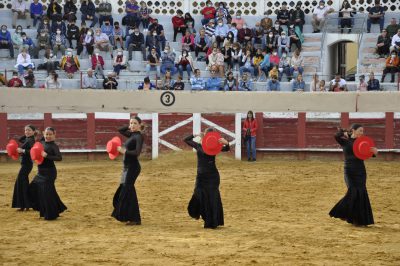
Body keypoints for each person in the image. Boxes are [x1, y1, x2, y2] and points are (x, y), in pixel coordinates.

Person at [329, 124, 377, 226]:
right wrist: (344, 133)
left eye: (363, 131)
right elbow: (336, 135)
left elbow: (370, 154)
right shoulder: (345, 141)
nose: (362, 133)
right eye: (360, 131)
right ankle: (341, 211)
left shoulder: (363, 143)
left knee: (361, 194)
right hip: (349, 171)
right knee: (353, 192)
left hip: (360, 171)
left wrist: (375, 153)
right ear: (353, 131)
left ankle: (359, 221)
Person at [184, 127, 230, 229]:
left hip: (212, 177)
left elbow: (226, 148)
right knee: (200, 195)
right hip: (202, 177)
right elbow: (186, 140)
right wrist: (195, 135)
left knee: (212, 199)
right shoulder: (199, 145)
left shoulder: (213, 146)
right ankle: (209, 220)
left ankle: (212, 222)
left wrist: (226, 142)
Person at [28, 127, 66, 220]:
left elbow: (59, 158)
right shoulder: (41, 142)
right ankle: (54, 209)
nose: (48, 136)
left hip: (49, 172)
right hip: (40, 172)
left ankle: (51, 215)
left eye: (50, 134)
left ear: (54, 134)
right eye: (46, 134)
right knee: (33, 188)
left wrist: (47, 156)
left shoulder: (54, 146)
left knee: (47, 193)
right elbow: (32, 141)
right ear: (43, 133)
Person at [112, 117, 144, 225]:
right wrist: (129, 125)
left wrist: (124, 151)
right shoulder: (132, 135)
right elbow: (120, 130)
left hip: (133, 167)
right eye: (131, 123)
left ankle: (135, 219)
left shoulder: (139, 136)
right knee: (128, 191)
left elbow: (137, 152)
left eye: (135, 123)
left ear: (140, 125)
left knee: (127, 191)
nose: (133, 125)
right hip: (126, 168)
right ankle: (134, 218)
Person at [12, 125, 37, 211]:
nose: (27, 132)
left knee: (21, 182)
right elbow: (20, 139)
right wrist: (28, 133)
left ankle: (25, 205)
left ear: (34, 131)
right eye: (25, 130)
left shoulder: (31, 140)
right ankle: (25, 205)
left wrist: (22, 150)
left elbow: (33, 151)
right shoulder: (28, 139)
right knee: (23, 183)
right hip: (25, 164)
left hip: (27, 164)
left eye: (29, 130)